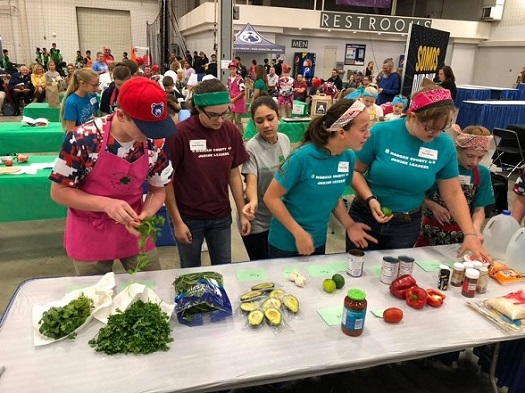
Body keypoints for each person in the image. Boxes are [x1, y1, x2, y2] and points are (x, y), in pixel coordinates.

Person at [345, 79, 492, 262]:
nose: (436, 134)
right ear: (412, 115)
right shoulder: (382, 132)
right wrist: (370, 198)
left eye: (442, 128)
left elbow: (453, 193)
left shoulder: (443, 145)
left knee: (394, 274)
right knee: (356, 268)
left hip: (405, 224)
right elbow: (355, 171)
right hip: (366, 216)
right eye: (430, 128)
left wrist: (470, 233)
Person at [49, 78, 176, 275]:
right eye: (145, 128)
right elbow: (59, 192)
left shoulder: (154, 143)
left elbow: (158, 189)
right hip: (90, 229)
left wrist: (146, 215)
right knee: (94, 297)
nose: (152, 134)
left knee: (151, 285)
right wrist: (107, 205)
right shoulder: (83, 139)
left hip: (133, 228)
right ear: (122, 115)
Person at [264, 99, 376, 257]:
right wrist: (299, 233)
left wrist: (349, 225)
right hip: (286, 242)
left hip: (317, 241)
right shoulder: (303, 157)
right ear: (341, 132)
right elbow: (271, 197)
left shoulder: (348, 157)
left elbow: (333, 198)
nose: (368, 134)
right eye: (363, 129)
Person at [164, 78, 250, 268]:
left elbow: (233, 173)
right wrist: (177, 222)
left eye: (224, 113)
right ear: (198, 109)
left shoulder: (230, 132)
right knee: (190, 270)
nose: (220, 120)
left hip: (220, 216)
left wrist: (242, 212)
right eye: (213, 115)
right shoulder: (180, 135)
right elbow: (166, 181)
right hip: (188, 217)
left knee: (223, 267)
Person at [415, 126, 495, 246]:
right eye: (469, 155)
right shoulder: (441, 166)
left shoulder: (482, 173)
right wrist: (433, 205)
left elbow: (479, 209)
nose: (474, 161)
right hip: (429, 230)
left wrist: (475, 230)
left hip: (462, 235)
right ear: (458, 149)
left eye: (480, 157)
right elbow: (417, 195)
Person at [241, 96, 291, 260]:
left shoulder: (284, 140)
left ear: (278, 116)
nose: (266, 125)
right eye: (260, 121)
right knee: (261, 265)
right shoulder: (251, 147)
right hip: (257, 220)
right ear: (254, 123)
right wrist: (253, 202)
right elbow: (251, 181)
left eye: (270, 118)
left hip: (280, 216)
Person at [227, 61, 246, 134]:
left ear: (236, 69)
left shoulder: (239, 79)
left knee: (237, 120)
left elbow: (243, 92)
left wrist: (234, 99)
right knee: (230, 119)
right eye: (231, 69)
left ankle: (242, 135)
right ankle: (230, 133)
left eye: (233, 69)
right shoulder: (229, 79)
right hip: (231, 101)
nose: (232, 70)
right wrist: (229, 98)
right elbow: (228, 89)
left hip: (238, 102)